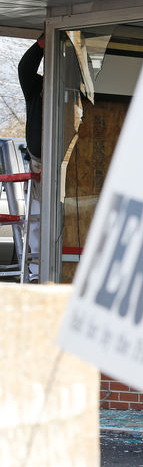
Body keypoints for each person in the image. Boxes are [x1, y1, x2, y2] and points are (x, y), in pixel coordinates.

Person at [17, 33, 44, 282]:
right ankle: (36, 272)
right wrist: (40, 46)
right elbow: (25, 68)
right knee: (36, 219)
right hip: (40, 161)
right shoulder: (37, 87)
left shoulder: (76, 89)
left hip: (72, 161)